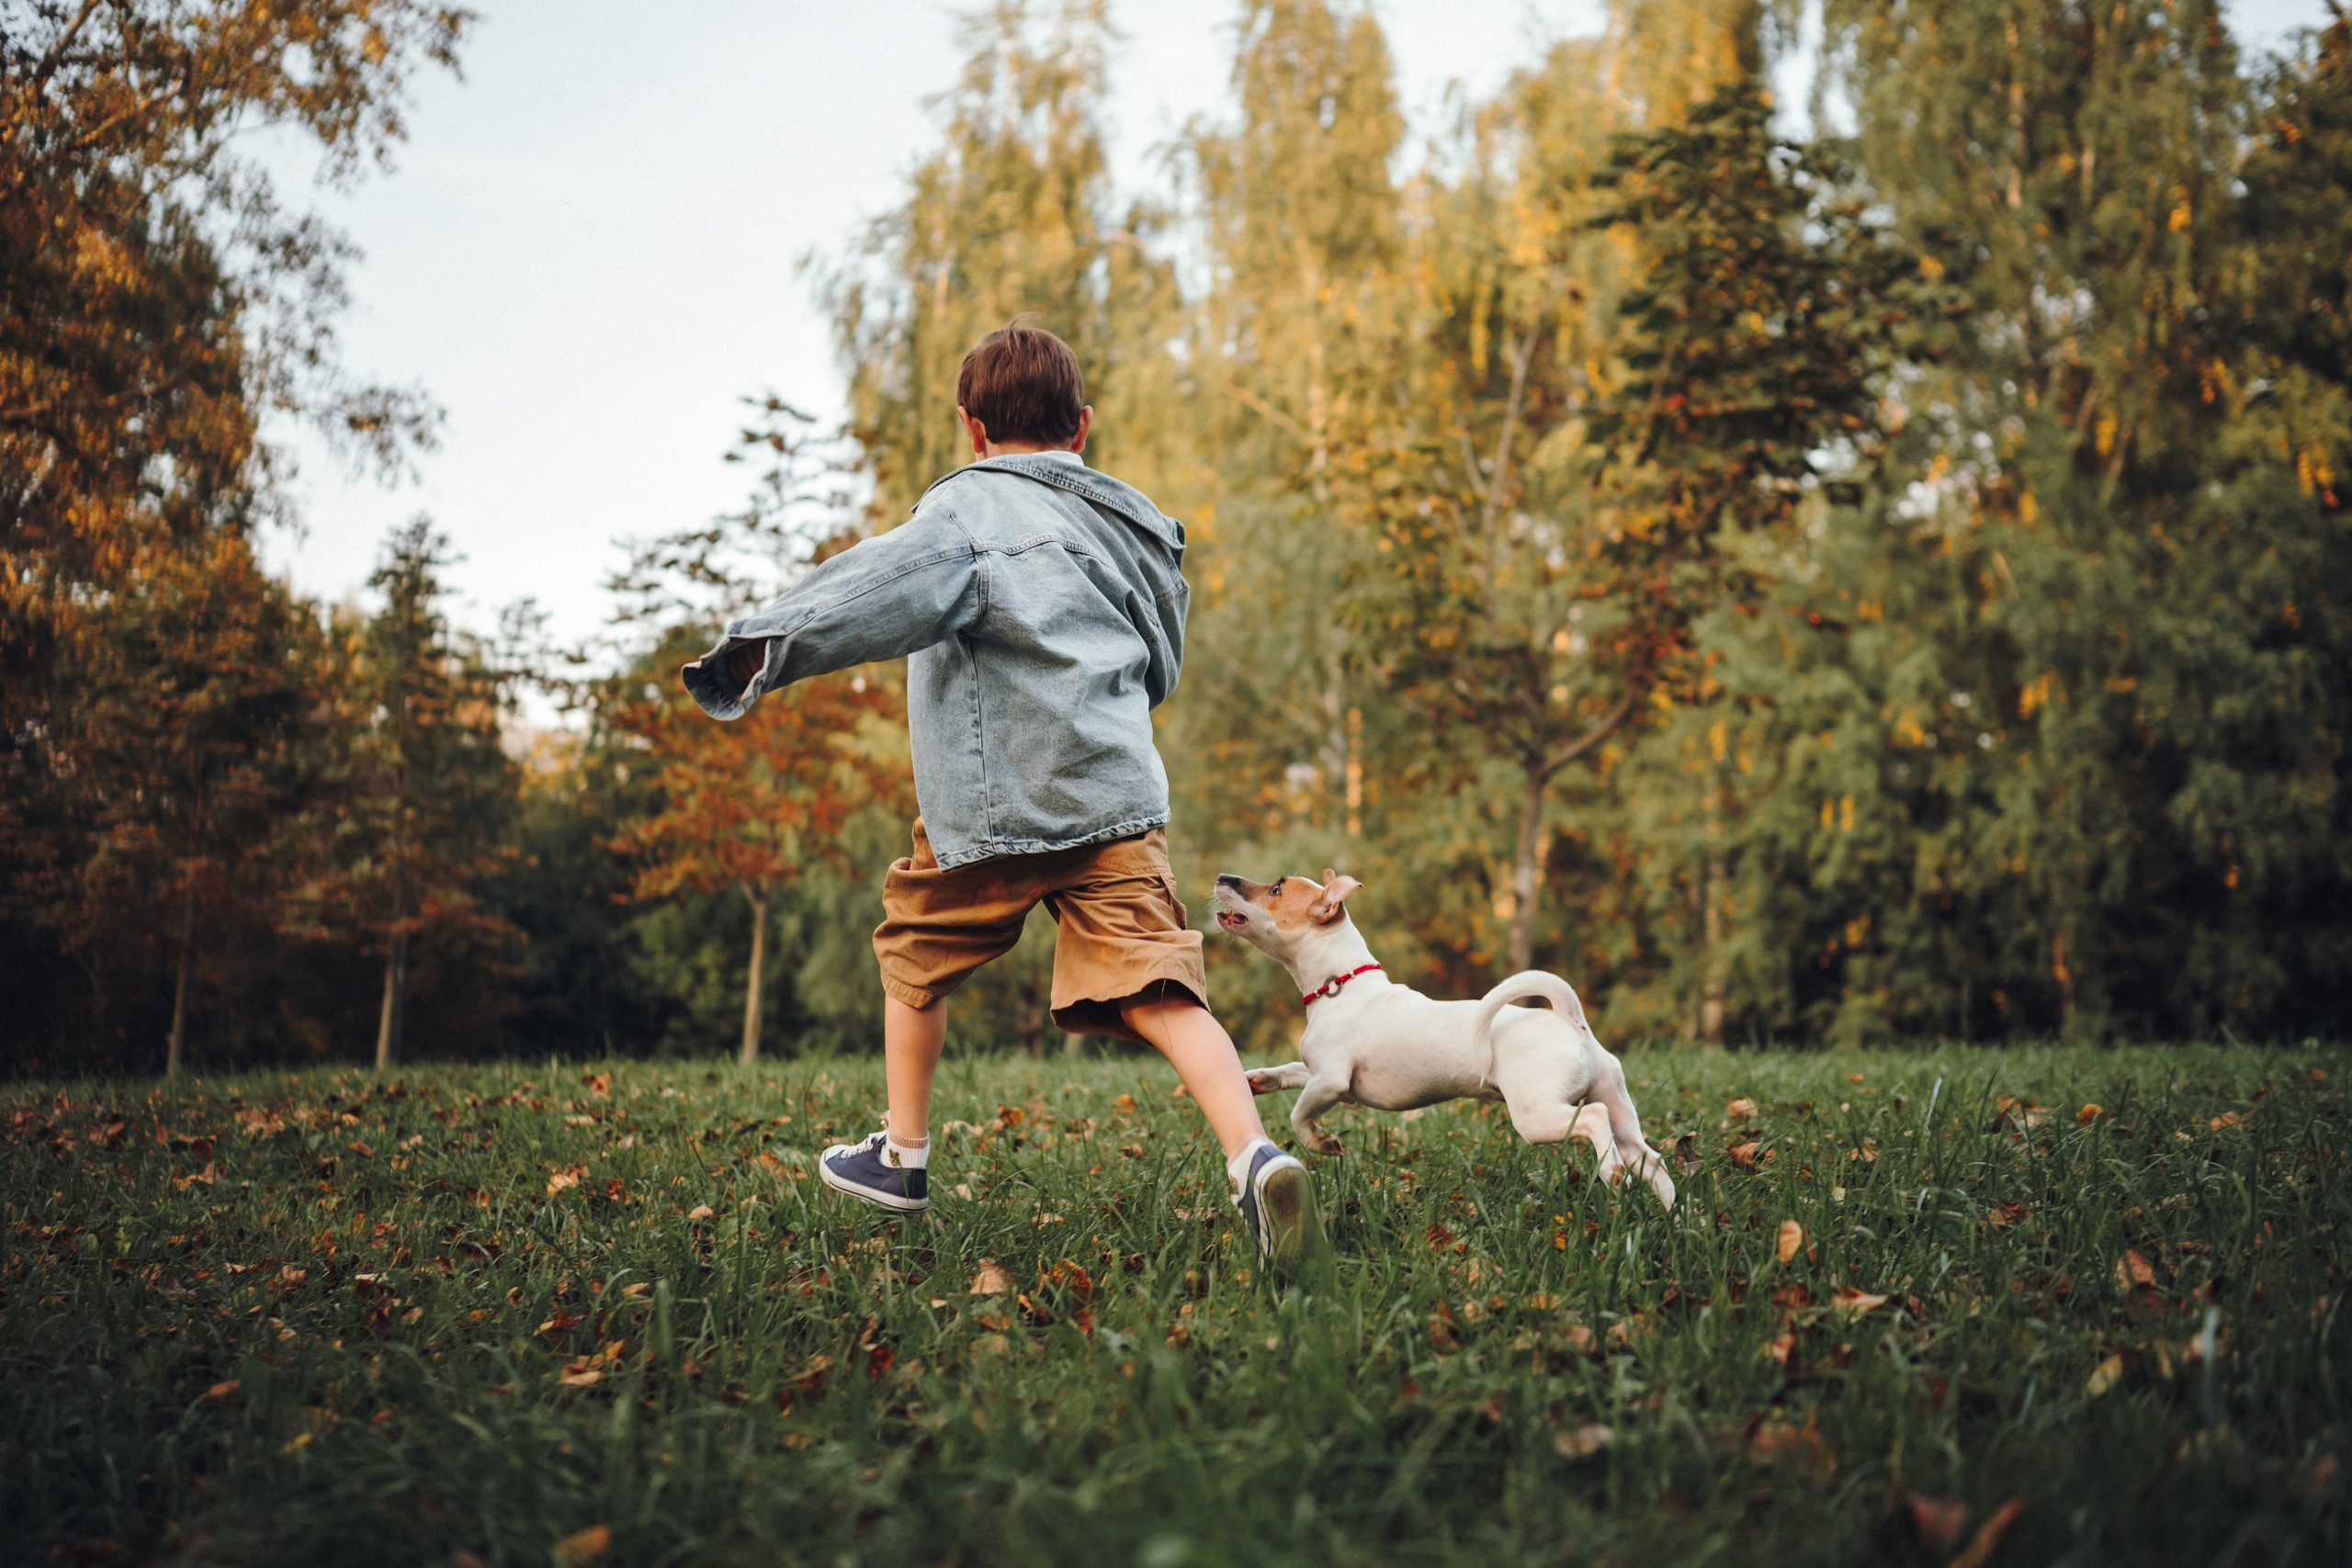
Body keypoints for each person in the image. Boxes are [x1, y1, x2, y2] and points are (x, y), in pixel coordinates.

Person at [681, 315, 1326, 1266]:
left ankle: (902, 1155)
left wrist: (760, 646)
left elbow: (872, 592)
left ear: (971, 430)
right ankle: (1253, 1153)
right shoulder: (1140, 530)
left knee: (914, 953)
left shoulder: (964, 517)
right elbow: (1162, 661)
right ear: (1083, 426)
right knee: (1158, 982)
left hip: (993, 801)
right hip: (1115, 800)